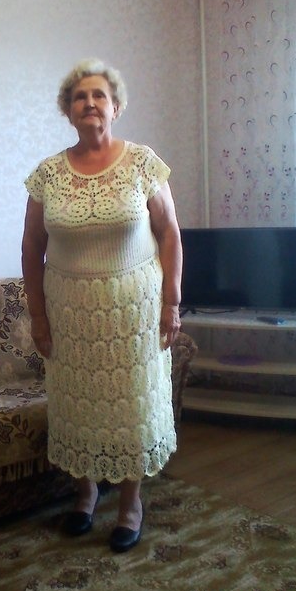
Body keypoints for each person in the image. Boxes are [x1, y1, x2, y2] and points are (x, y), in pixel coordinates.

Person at [21, 58, 182, 553]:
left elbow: (170, 234)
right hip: (70, 312)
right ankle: (86, 493)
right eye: (79, 97)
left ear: (115, 106)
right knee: (77, 402)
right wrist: (38, 315)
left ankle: (131, 503)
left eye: (98, 95)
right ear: (67, 111)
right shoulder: (48, 174)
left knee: (131, 403)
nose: (89, 103)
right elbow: (31, 247)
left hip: (133, 309)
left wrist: (172, 301)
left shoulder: (142, 163)